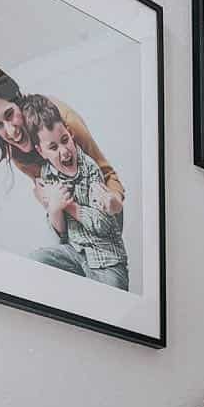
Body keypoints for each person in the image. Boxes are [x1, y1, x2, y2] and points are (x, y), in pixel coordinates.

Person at [0, 62, 124, 221]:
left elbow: (108, 174)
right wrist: (46, 200)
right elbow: (52, 196)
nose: (11, 132)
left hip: (106, 214)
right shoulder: (16, 152)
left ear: (17, 99)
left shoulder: (63, 121)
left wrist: (113, 203)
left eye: (9, 114)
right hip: (73, 223)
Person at [19, 94, 128, 290]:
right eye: (53, 147)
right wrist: (54, 209)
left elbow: (104, 226)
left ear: (70, 133)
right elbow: (61, 235)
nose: (64, 152)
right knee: (35, 260)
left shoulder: (90, 168)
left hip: (106, 259)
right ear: (41, 151)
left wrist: (67, 205)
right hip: (76, 253)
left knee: (113, 294)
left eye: (64, 140)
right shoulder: (47, 175)